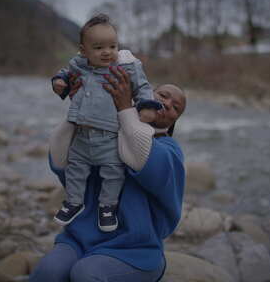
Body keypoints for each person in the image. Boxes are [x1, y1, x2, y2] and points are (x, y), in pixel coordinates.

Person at [29, 66, 187, 282]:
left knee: (85, 273)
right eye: (163, 96)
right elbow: (61, 162)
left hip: (135, 250)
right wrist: (79, 109)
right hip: (80, 239)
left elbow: (143, 156)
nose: (167, 104)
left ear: (173, 121)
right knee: (48, 272)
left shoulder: (170, 150)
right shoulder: (104, 128)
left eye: (175, 107)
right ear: (147, 94)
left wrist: (125, 109)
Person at [51, 13, 161, 232]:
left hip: (109, 136)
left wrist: (146, 106)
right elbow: (65, 72)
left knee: (113, 172)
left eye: (112, 46)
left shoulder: (126, 66)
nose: (107, 52)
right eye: (99, 47)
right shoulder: (79, 64)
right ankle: (74, 201)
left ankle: (107, 207)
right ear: (84, 50)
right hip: (81, 135)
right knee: (75, 169)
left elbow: (142, 86)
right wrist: (59, 82)